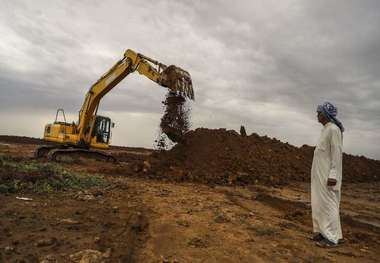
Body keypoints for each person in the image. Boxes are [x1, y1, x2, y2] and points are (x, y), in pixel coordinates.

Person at [311, 101, 344, 247]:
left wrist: (333, 175)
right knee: (319, 203)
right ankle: (322, 232)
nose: (317, 115)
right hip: (319, 176)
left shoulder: (333, 130)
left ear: (325, 114)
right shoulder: (325, 129)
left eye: (319, 112)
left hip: (328, 177)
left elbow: (337, 155)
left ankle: (331, 238)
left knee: (329, 204)